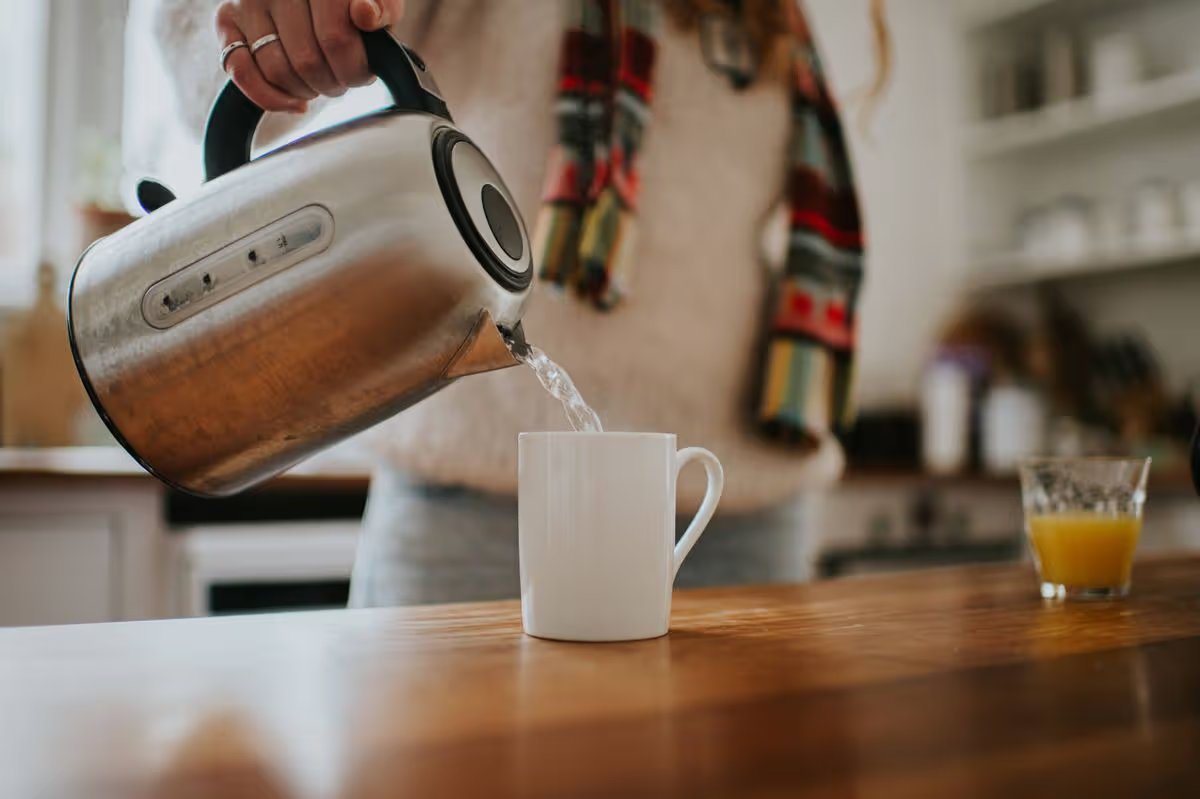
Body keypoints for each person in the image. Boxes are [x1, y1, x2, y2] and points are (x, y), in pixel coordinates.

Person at [153, 0, 887, 605]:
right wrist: (262, 22)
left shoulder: (774, 17)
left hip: (742, 517)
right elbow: (212, 55)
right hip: (470, 523)